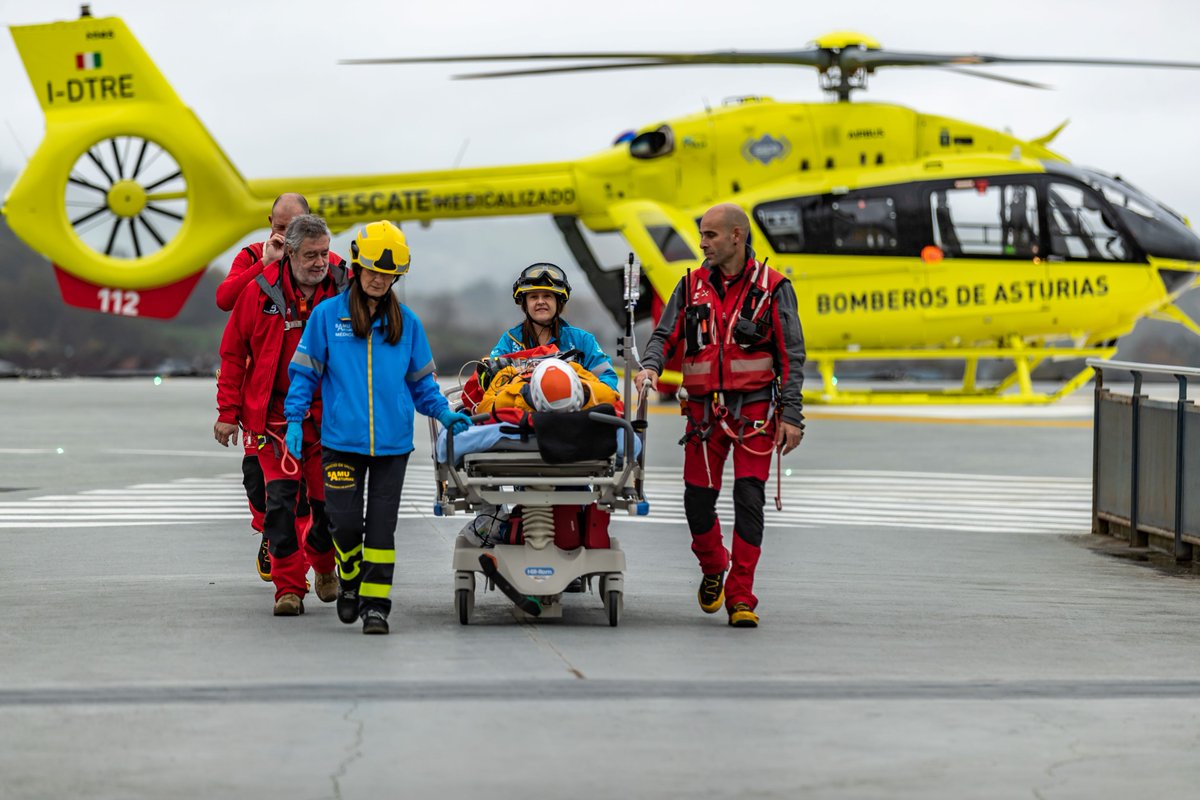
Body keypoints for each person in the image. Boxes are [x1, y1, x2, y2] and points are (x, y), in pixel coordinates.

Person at [285, 220, 471, 635]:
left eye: (388, 274)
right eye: (372, 270)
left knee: (382, 532)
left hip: (391, 447)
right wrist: (294, 420)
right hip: (340, 444)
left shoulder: (407, 324)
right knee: (345, 524)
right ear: (356, 266)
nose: (379, 279)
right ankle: (348, 576)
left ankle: (376, 606)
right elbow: (305, 376)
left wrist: (443, 413)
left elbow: (422, 384)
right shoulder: (326, 317)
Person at [635, 203, 806, 629]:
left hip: (756, 414)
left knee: (749, 500)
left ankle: (741, 596)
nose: (702, 243)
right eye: (702, 235)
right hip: (702, 414)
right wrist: (651, 367)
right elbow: (664, 334)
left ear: (736, 236)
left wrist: (792, 414)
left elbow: (792, 355)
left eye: (710, 235)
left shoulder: (775, 287)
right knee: (697, 503)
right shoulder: (690, 284)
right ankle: (714, 566)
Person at [214, 214, 348, 616]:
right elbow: (234, 354)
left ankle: (324, 566)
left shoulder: (345, 291)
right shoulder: (257, 294)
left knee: (328, 510)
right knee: (280, 507)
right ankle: (288, 588)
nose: (320, 262)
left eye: (324, 253)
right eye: (310, 255)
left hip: (330, 420)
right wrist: (227, 412)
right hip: (274, 422)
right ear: (289, 253)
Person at [492, 262, 618, 391]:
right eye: (534, 297)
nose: (540, 301)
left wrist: (584, 392)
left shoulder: (583, 340)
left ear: (559, 302)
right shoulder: (509, 341)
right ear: (525, 304)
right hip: (521, 409)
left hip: (574, 409)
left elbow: (608, 380)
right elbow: (489, 380)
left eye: (547, 296)